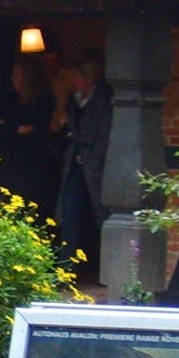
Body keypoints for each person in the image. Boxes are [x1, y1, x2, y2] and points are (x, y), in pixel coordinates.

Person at [56, 53, 112, 269]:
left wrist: (95, 161)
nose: (72, 80)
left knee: (101, 215)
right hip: (75, 164)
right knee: (69, 213)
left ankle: (108, 270)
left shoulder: (103, 100)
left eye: (76, 76)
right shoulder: (74, 100)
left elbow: (104, 135)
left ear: (88, 77)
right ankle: (66, 270)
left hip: (95, 166)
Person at [0, 54, 58, 214]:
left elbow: (39, 130)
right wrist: (18, 129)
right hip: (9, 160)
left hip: (31, 162)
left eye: (17, 74)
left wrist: (12, 127)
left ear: (27, 77)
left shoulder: (42, 100)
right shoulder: (10, 99)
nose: (12, 78)